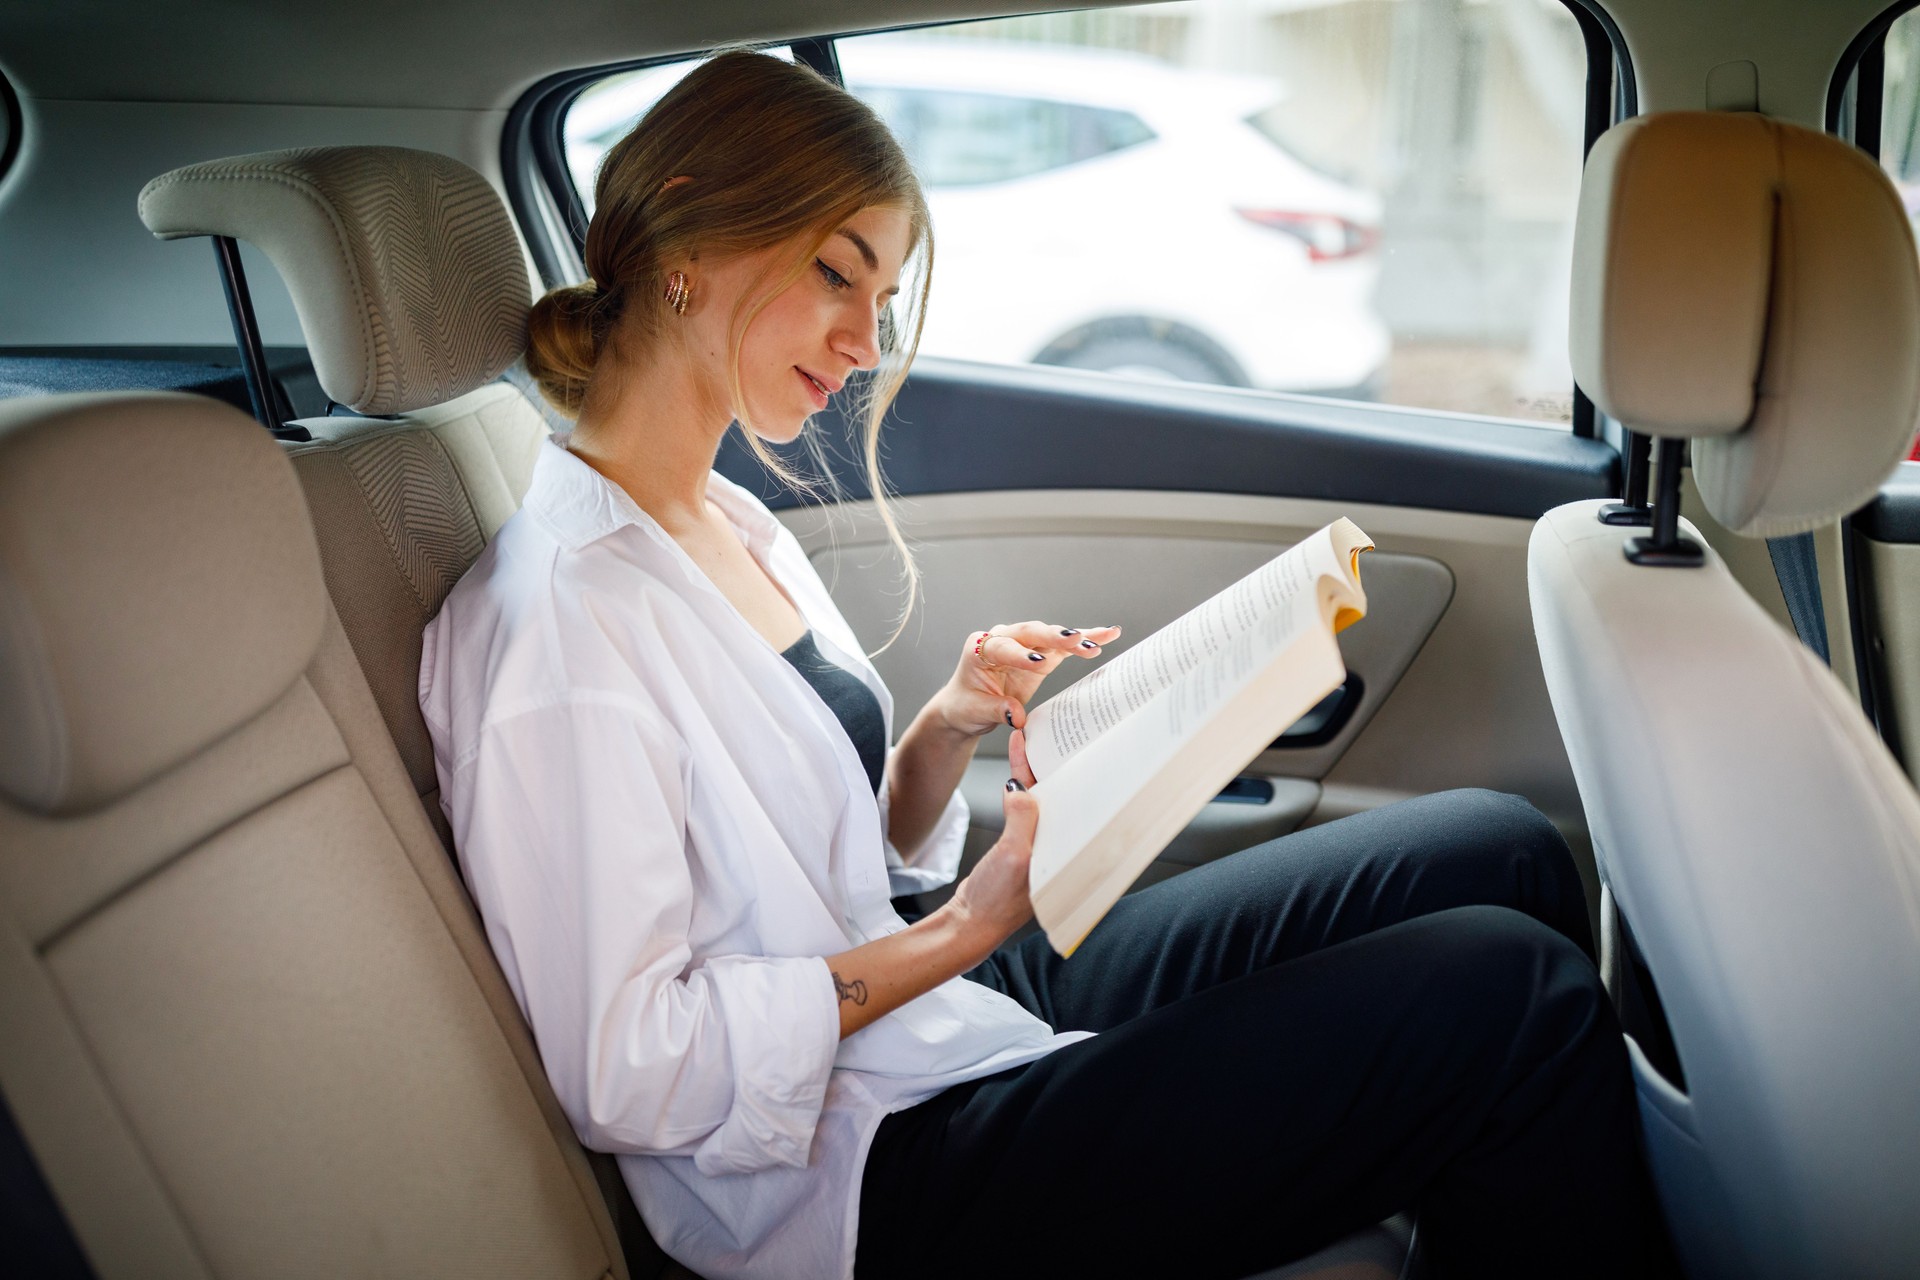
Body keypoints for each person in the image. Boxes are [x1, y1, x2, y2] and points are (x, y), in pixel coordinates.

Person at [419, 49, 1676, 1280]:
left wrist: (944, 729)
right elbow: (632, 1067)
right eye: (836, 275)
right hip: (870, 1169)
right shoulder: (559, 631)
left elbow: (815, 866)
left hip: (935, 1008)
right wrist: (968, 925)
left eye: (886, 300)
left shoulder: (720, 517)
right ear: (686, 235)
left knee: (1500, 846)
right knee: (1518, 1002)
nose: (864, 341)